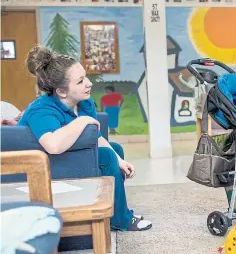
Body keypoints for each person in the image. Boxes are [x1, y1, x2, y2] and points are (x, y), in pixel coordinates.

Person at [18, 45, 151, 231]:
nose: (89, 83)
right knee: (106, 156)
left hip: (62, 160)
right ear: (62, 91)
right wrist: (83, 122)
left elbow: (95, 137)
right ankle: (122, 219)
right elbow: (54, 145)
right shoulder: (42, 109)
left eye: (85, 77)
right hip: (38, 168)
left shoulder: (84, 102)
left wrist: (121, 161)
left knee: (115, 151)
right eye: (80, 81)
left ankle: (112, 213)